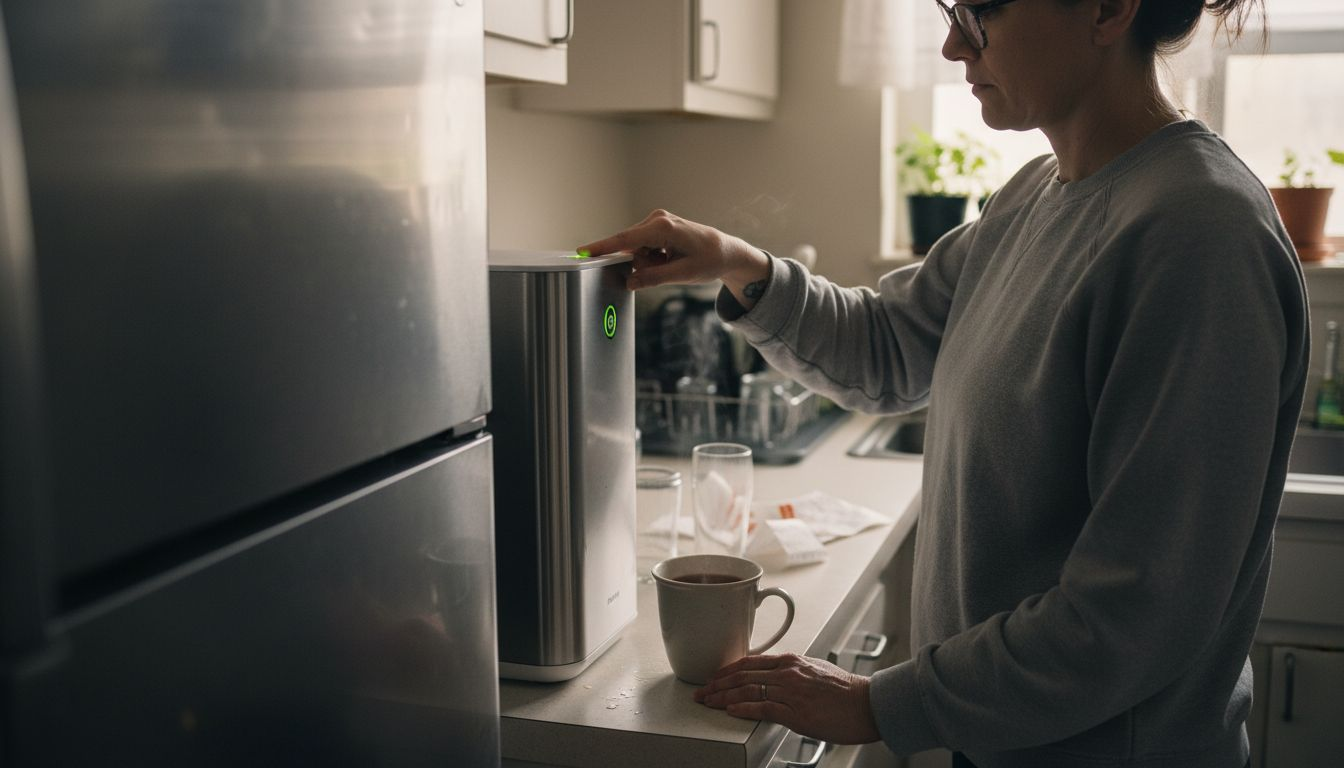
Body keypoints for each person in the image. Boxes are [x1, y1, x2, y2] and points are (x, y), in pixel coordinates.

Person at [577, 0, 1310, 766]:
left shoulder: (1199, 236)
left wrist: (877, 703)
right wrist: (738, 263)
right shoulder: (1035, 196)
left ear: (1107, 9)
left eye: (983, 10)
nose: (954, 43)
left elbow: (1134, 611)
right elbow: (890, 343)